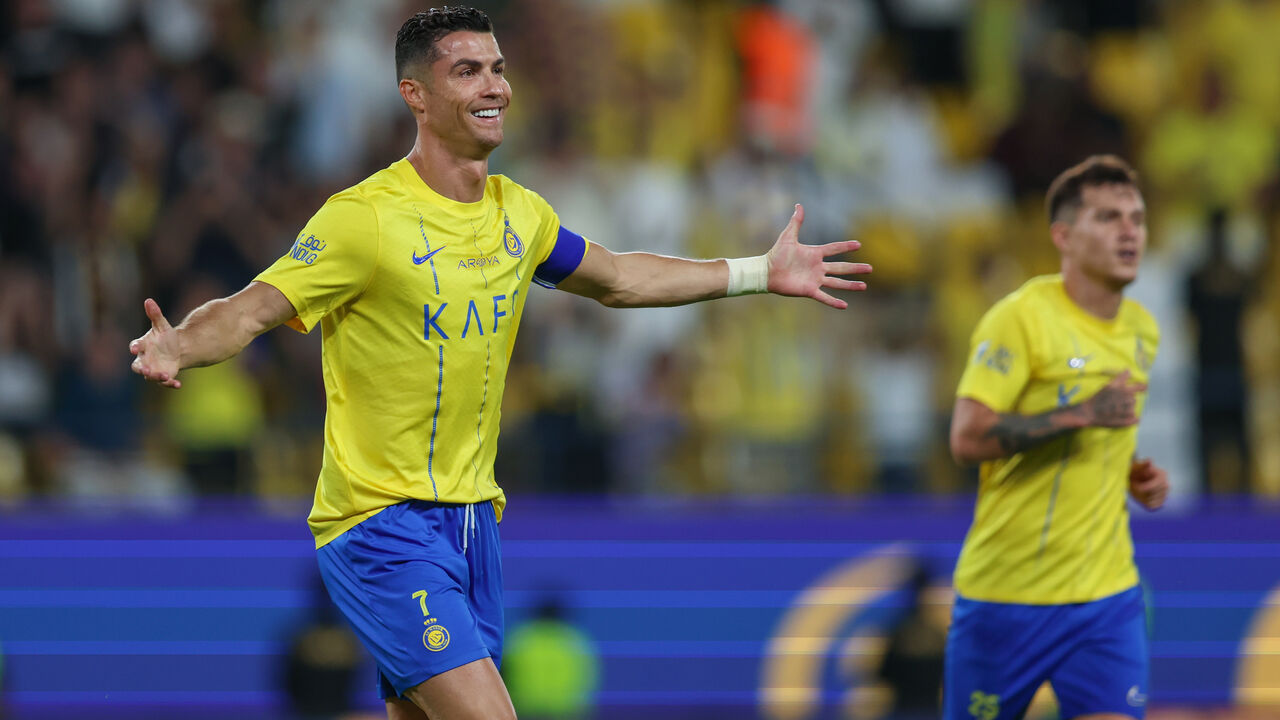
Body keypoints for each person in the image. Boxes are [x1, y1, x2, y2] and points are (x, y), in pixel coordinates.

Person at [128, 7, 871, 720]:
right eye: (467, 72)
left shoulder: (521, 214)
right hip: (380, 525)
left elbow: (618, 278)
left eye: (499, 68)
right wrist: (180, 344)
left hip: (475, 525)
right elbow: (255, 306)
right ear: (414, 95)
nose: (495, 87)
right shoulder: (365, 218)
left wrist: (755, 273)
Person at [945, 155, 1169, 720]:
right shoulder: (1019, 319)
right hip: (1006, 598)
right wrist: (1079, 415)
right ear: (1063, 236)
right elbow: (967, 438)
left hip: (1106, 596)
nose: (1130, 231)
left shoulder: (1143, 329)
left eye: (1137, 219)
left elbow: (1106, 434)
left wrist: (1132, 472)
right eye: (1109, 217)